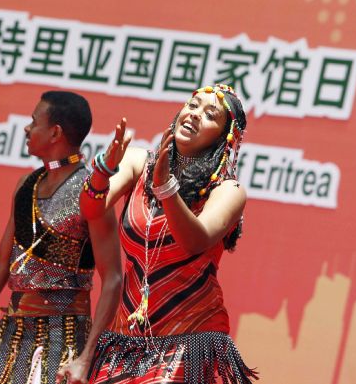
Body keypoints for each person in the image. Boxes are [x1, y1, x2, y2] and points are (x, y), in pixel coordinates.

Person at [0, 91, 122, 384]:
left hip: (64, 336)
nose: (27, 128)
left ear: (55, 132)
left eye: (33, 121)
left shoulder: (91, 192)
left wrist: (86, 357)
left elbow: (114, 278)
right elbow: (0, 263)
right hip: (12, 331)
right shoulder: (26, 184)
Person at [81, 84, 258, 383]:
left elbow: (195, 240)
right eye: (193, 104)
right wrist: (103, 168)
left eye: (210, 114)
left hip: (189, 338)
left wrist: (165, 187)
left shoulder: (229, 191)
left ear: (223, 138)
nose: (195, 114)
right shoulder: (139, 163)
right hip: (127, 338)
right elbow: (91, 209)